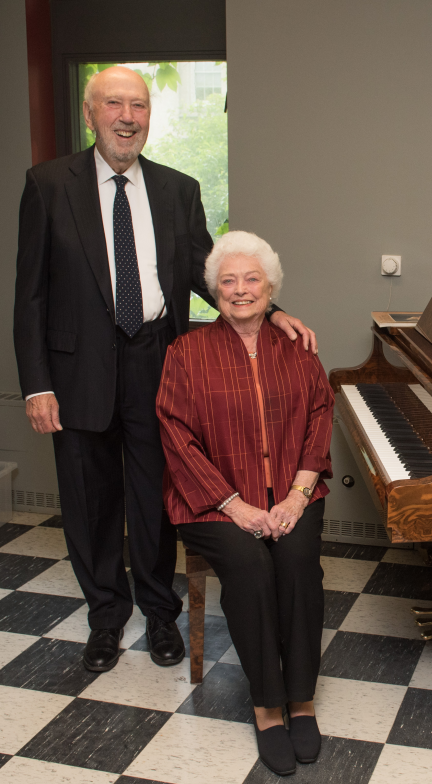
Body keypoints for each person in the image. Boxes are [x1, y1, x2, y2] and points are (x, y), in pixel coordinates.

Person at [13, 66, 317, 674]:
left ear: (150, 116)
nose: (128, 116)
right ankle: (105, 618)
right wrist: (37, 383)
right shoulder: (48, 184)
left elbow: (209, 270)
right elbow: (31, 294)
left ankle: (158, 616)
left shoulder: (178, 189)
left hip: (160, 363)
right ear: (90, 112)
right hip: (77, 376)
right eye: (115, 105)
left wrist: (274, 310)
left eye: (140, 106)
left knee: (157, 501)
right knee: (90, 503)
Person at [156, 231, 332, 776]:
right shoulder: (186, 353)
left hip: (292, 492)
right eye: (227, 281)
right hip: (210, 502)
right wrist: (236, 506)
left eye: (251, 279)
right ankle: (266, 707)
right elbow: (175, 435)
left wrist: (298, 495)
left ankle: (300, 699)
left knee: (299, 562)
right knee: (253, 569)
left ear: (270, 287)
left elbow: (320, 416)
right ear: (213, 291)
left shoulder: (297, 347)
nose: (239, 290)